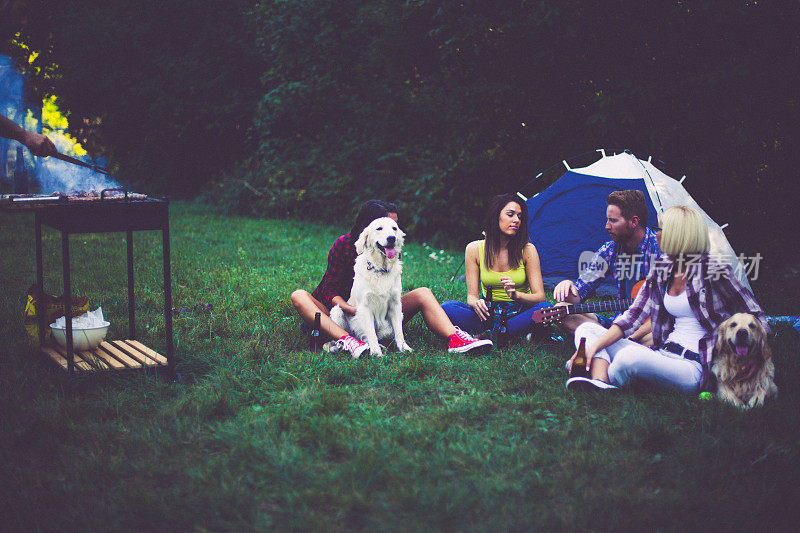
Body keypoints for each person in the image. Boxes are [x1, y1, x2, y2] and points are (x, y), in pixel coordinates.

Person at [565, 205, 768, 392]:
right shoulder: (663, 267)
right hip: (661, 354)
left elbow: (756, 314)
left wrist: (756, 357)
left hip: (691, 366)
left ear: (677, 235)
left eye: (659, 229)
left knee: (627, 358)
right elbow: (632, 316)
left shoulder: (714, 271)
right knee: (586, 330)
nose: (655, 234)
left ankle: (593, 369)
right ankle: (600, 382)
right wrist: (594, 347)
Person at [291, 200, 492, 358]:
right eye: (387, 226)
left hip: (378, 313)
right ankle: (349, 341)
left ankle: (456, 339)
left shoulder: (391, 248)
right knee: (299, 295)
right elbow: (328, 288)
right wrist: (348, 308)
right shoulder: (343, 245)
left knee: (423, 293)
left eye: (395, 227)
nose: (392, 234)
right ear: (369, 226)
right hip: (337, 313)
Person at [552, 189, 660, 343]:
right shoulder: (609, 250)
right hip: (618, 323)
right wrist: (568, 286)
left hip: (651, 325)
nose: (607, 226)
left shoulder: (661, 249)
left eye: (613, 220)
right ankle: (615, 342)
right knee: (563, 311)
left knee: (659, 334)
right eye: (607, 220)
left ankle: (609, 343)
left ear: (634, 222)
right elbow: (581, 291)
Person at [441, 193, 549, 339]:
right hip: (489, 313)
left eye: (519, 216)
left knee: (545, 309)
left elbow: (540, 297)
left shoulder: (528, 249)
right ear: (495, 216)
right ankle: (511, 333)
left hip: (519, 312)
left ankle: (495, 334)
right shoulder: (474, 249)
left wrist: (516, 295)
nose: (517, 220)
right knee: (447, 307)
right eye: (510, 214)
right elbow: (471, 297)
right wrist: (476, 303)